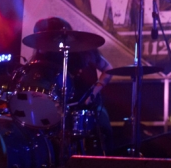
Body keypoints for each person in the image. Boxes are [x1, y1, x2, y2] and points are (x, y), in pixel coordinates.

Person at [30, 17, 114, 155]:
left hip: (88, 105)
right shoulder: (42, 60)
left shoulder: (85, 50)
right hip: (58, 109)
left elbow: (108, 69)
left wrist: (94, 92)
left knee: (104, 131)